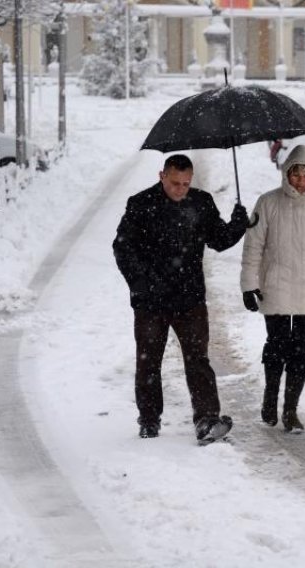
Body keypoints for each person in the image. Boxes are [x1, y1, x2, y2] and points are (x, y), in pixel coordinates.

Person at [112, 154, 249, 442]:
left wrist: (238, 223)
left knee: (198, 360)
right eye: (174, 183)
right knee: (149, 361)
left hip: (190, 299)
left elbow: (219, 240)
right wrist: (141, 285)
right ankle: (149, 419)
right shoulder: (140, 205)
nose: (180, 189)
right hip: (151, 302)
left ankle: (207, 419)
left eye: (186, 184)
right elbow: (122, 248)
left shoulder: (200, 202)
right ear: (162, 175)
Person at [240, 145, 305, 434]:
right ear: (287, 174)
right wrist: (250, 286)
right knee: (276, 348)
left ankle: (290, 410)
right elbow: (253, 249)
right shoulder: (267, 203)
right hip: (275, 288)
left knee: (301, 353)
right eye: (295, 175)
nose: (300, 181)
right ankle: (270, 396)